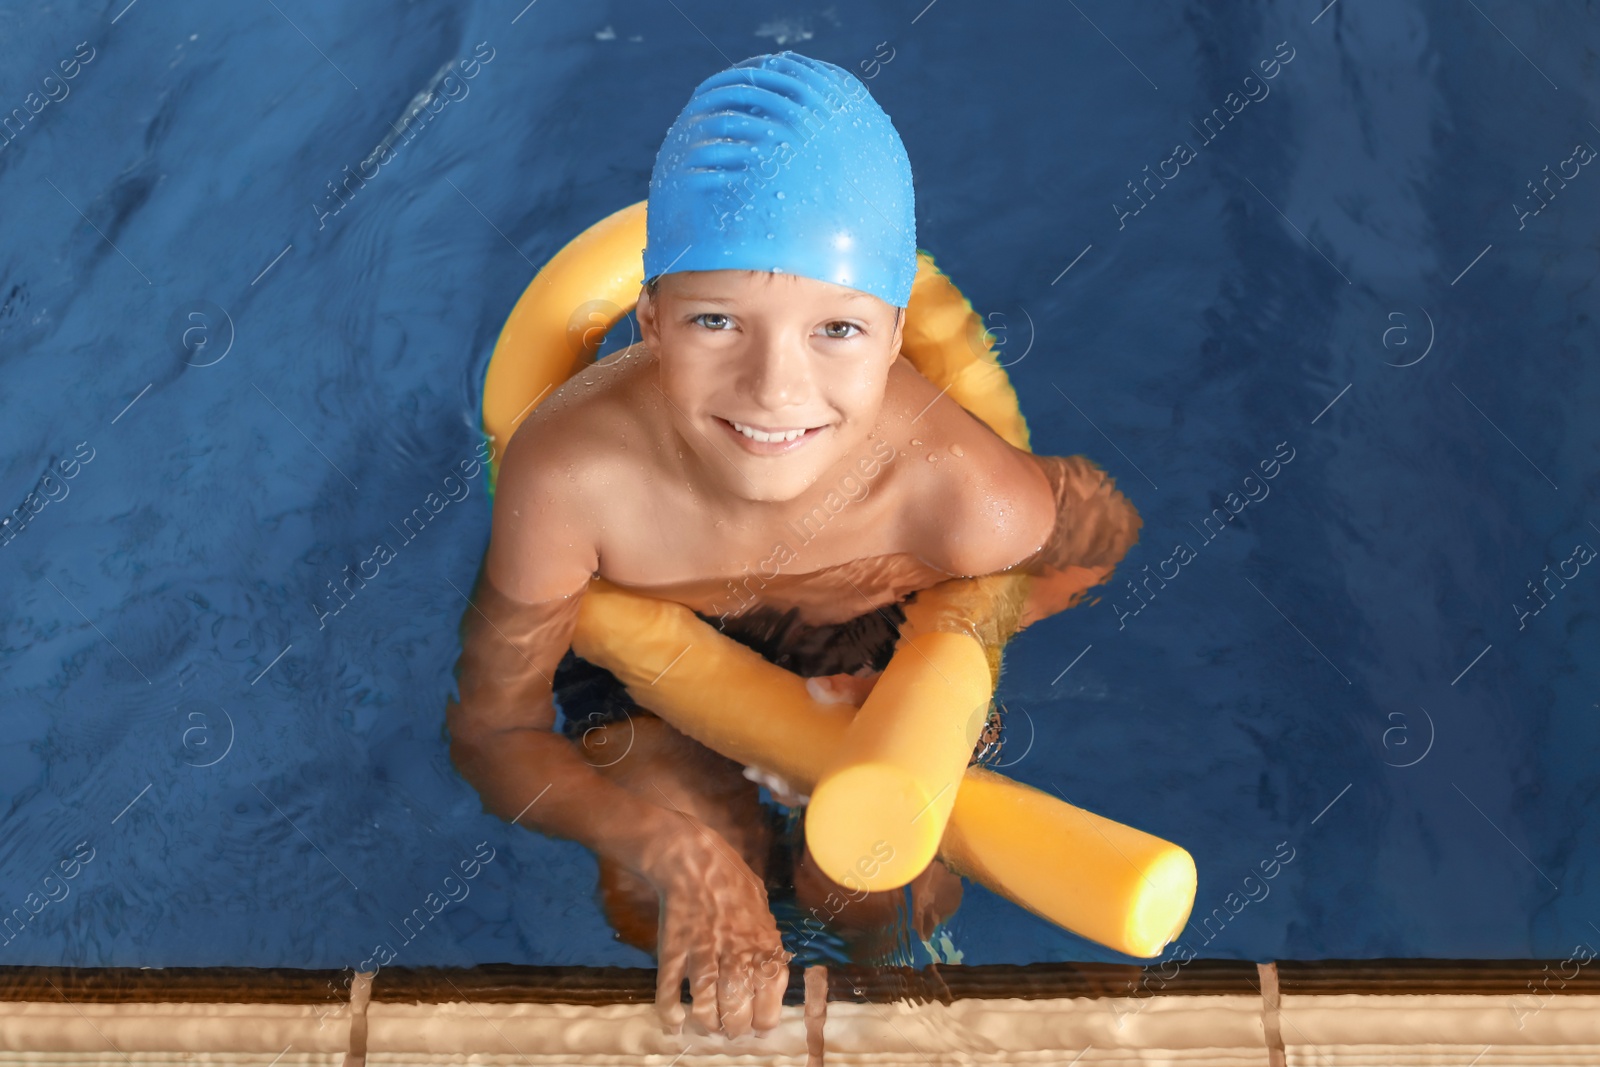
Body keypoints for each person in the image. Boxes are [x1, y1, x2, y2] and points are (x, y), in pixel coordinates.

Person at [446, 51, 1142, 1040]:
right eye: (717, 320)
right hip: (647, 679)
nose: (775, 388)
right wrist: (676, 850)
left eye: (837, 330)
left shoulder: (959, 494)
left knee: (886, 898)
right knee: (650, 895)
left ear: (897, 333)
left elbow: (1094, 533)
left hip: (863, 645)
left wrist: (947, 675)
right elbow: (492, 730)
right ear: (650, 323)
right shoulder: (572, 474)